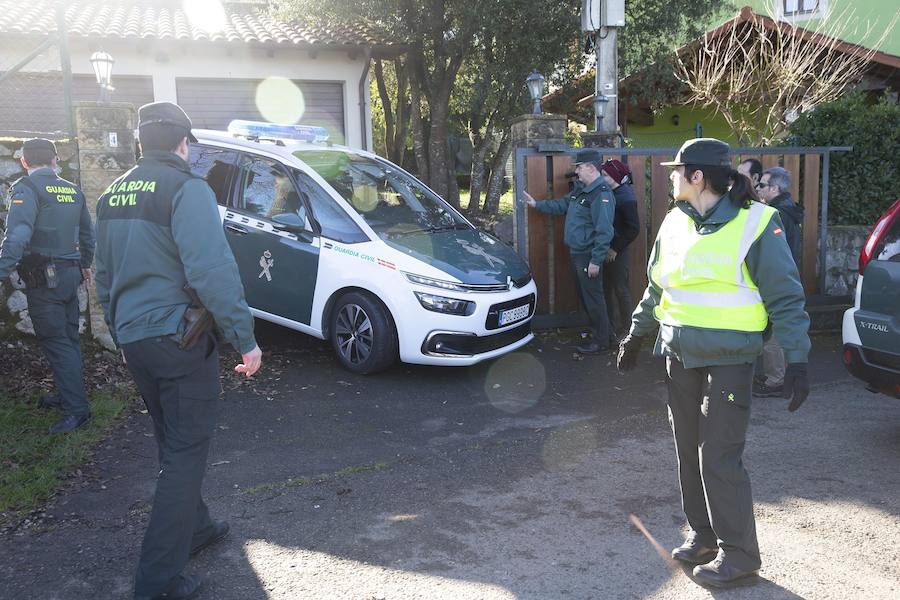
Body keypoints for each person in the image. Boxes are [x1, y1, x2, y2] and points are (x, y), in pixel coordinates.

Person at [616, 138, 811, 588]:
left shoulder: (759, 223)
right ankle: (703, 537)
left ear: (697, 176)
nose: (671, 176)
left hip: (731, 359)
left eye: (677, 170)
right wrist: (636, 333)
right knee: (687, 450)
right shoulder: (673, 222)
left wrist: (797, 359)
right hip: (680, 355)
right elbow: (657, 287)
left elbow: (785, 296)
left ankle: (740, 555)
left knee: (719, 457)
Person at [94, 102, 263, 600]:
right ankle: (157, 580)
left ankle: (198, 528)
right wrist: (245, 337)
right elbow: (211, 270)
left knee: (173, 442)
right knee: (185, 455)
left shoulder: (110, 195)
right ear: (184, 144)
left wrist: (118, 329)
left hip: (136, 339)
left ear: (141, 143)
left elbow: (102, 275)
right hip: (180, 340)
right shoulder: (187, 189)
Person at [0, 138, 94, 433]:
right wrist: (86, 265)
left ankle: (77, 411)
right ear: (55, 160)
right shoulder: (72, 190)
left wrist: (2, 270)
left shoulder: (26, 189)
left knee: (57, 343)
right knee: (68, 338)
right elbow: (88, 235)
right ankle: (69, 395)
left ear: (24, 162)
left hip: (45, 280)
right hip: (70, 276)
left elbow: (16, 237)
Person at [520, 149, 616, 354]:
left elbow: (605, 231)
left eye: (579, 168)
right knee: (587, 297)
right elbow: (562, 205)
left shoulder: (601, 195)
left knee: (594, 299)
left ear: (590, 168)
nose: (577, 172)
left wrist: (596, 261)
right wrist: (536, 204)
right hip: (578, 253)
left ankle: (602, 342)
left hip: (588, 255)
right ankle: (601, 334)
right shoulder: (582, 191)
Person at [754, 166, 805, 396]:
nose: (758, 188)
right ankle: (776, 376)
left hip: (777, 279)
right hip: (785, 277)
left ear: (775, 188)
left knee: (772, 332)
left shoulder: (779, 214)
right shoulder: (788, 210)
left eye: (762, 185)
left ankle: (776, 380)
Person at [599, 159, 640, 341]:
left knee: (620, 289)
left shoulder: (626, 197)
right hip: (605, 247)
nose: (602, 177)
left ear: (615, 177)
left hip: (617, 251)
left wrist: (615, 249)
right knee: (606, 288)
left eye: (605, 175)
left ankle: (628, 329)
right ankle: (611, 327)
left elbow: (633, 228)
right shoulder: (610, 192)